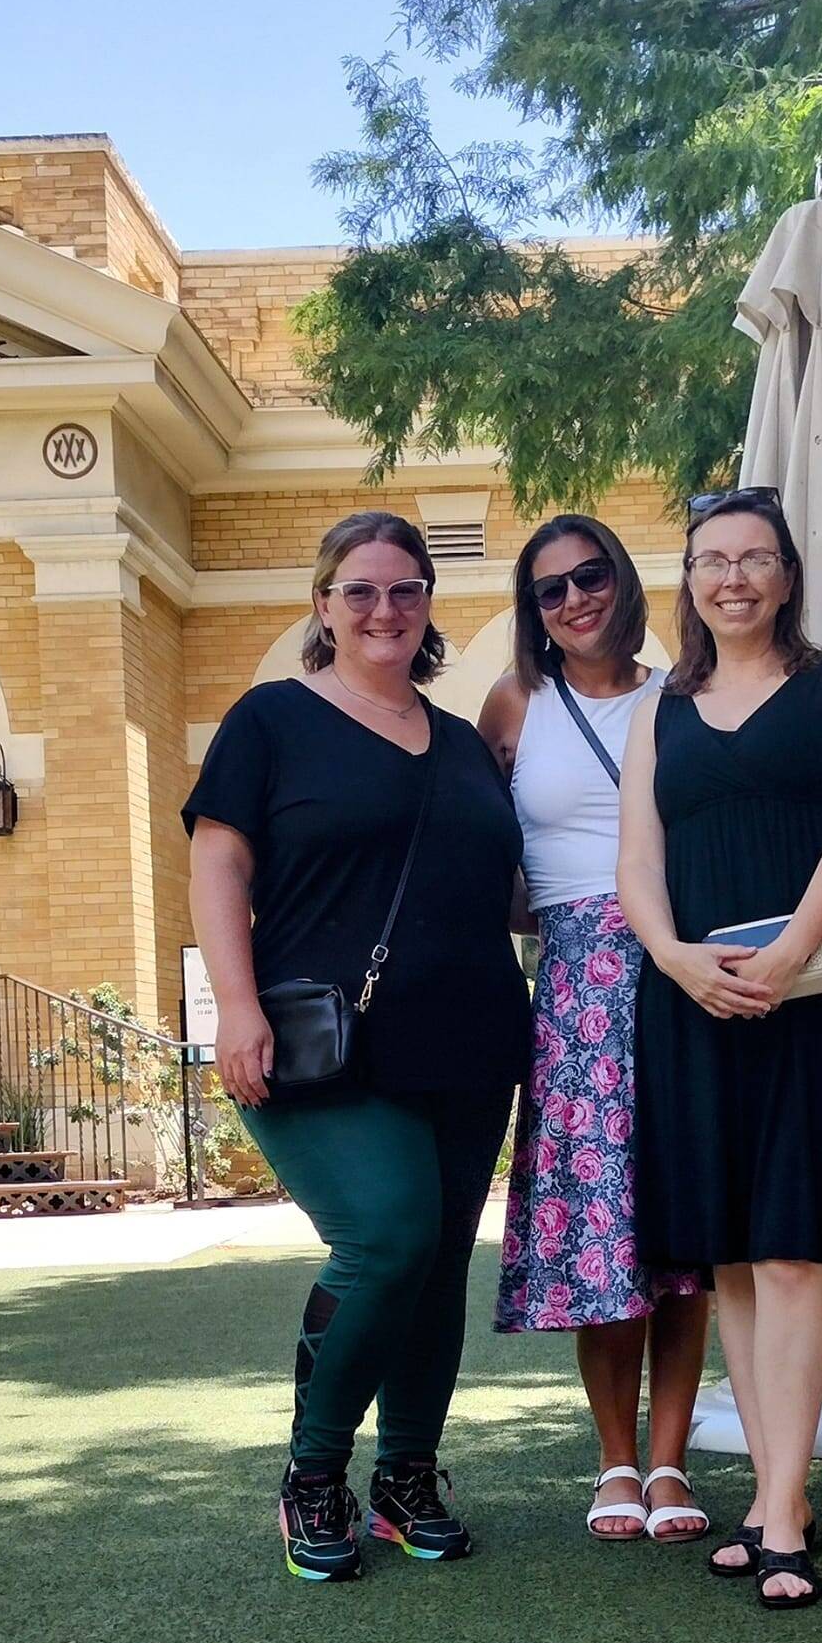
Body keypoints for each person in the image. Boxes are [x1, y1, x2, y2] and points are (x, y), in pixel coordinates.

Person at [185, 510, 530, 1583]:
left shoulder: (463, 742)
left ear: (428, 603)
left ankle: (408, 1475)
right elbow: (218, 864)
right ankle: (313, 1474)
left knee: (438, 1260)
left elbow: (503, 888)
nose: (386, 609)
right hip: (320, 1042)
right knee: (386, 1235)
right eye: (362, 590)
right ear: (324, 605)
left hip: (469, 1037)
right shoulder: (272, 720)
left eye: (406, 589)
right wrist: (233, 1006)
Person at [618, 488, 822, 1609]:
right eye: (712, 560)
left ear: (786, 575)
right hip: (689, 1000)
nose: (733, 578)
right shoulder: (658, 707)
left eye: (755, 558)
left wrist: (787, 952)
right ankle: (781, 1494)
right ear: (689, 579)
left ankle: (781, 1507)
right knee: (730, 1253)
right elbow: (637, 861)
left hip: (807, 997)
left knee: (790, 1251)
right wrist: (677, 958)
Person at [479, 515, 711, 1544]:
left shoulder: (687, 694)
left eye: (589, 576)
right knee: (599, 1233)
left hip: (682, 971)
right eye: (550, 589)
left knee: (682, 1236)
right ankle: (616, 1457)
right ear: (534, 611)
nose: (574, 599)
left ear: (622, 580)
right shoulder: (515, 703)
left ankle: (670, 1461)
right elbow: (479, 844)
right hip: (575, 983)